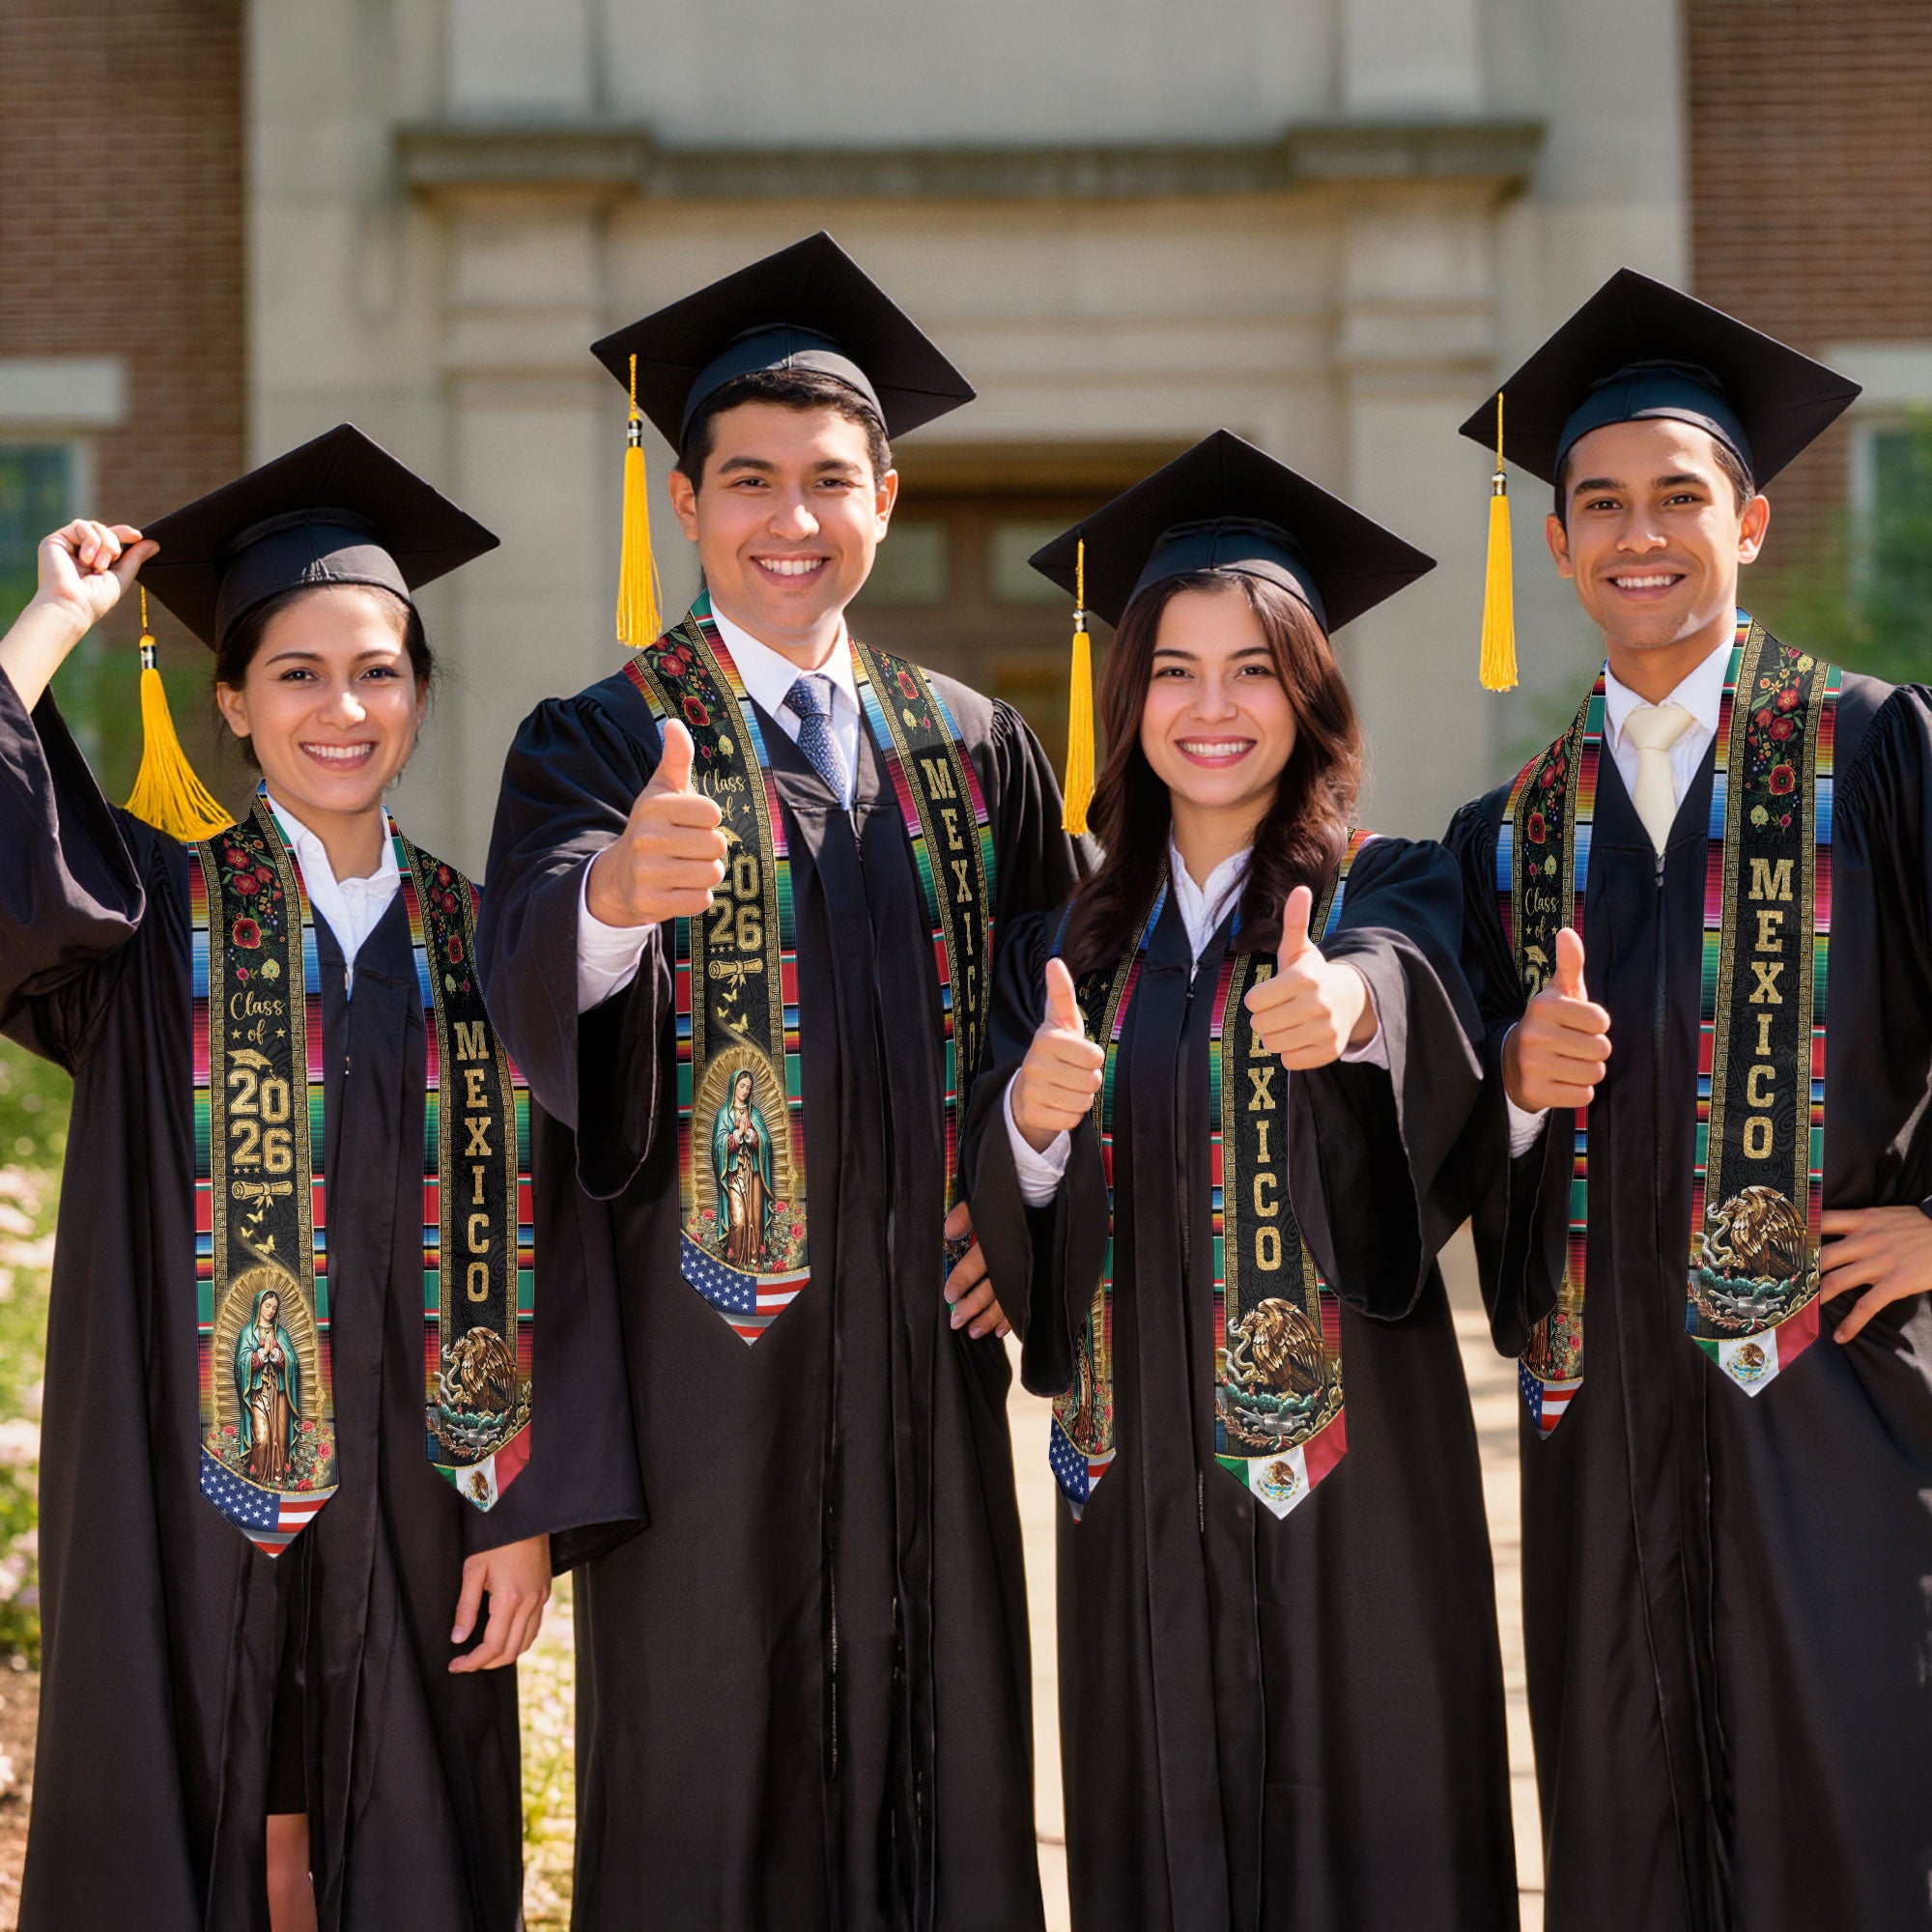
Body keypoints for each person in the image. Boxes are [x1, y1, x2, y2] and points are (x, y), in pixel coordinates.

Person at [478, 233, 1083, 1931]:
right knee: (710, 1777)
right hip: (705, 1380)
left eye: (829, 480)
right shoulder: (601, 739)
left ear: (886, 497)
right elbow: (527, 966)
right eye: (748, 481)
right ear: (686, 504)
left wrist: (1021, 1204)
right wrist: (612, 899)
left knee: (941, 1762)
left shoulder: (974, 748)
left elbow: (1068, 1010)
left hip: (925, 1371)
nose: (790, 518)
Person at [0, 426, 587, 1932]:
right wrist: (52, 620)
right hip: (180, 1491)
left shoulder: (494, 945)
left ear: (421, 695)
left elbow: (572, 1244)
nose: (343, 709)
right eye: (297, 674)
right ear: (233, 705)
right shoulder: (147, 924)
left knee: (407, 1829)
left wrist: (524, 1507)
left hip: (430, 1495)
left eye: (378, 672)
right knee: (202, 1812)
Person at [964, 432, 1518, 1931]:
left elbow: (1411, 991)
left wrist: (1351, 1011)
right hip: (1134, 1479)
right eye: (1175, 671)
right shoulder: (1062, 947)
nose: (1213, 708)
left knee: (1373, 1834)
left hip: (1355, 1484)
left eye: (1254, 670)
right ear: (1127, 698)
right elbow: (1014, 1219)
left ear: (1310, 693)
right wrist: (1028, 1123)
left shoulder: (1390, 884)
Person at [1446, 270, 1932, 1931]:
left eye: (1678, 497)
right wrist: (1514, 1093)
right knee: (1627, 1828)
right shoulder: (1512, 835)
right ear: (1558, 542)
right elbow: (1452, 1145)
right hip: (1605, 1435)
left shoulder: (1880, 755)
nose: (1638, 534)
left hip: (1840, 1409)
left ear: (1752, 522)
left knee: (1855, 1817)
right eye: (1599, 504)